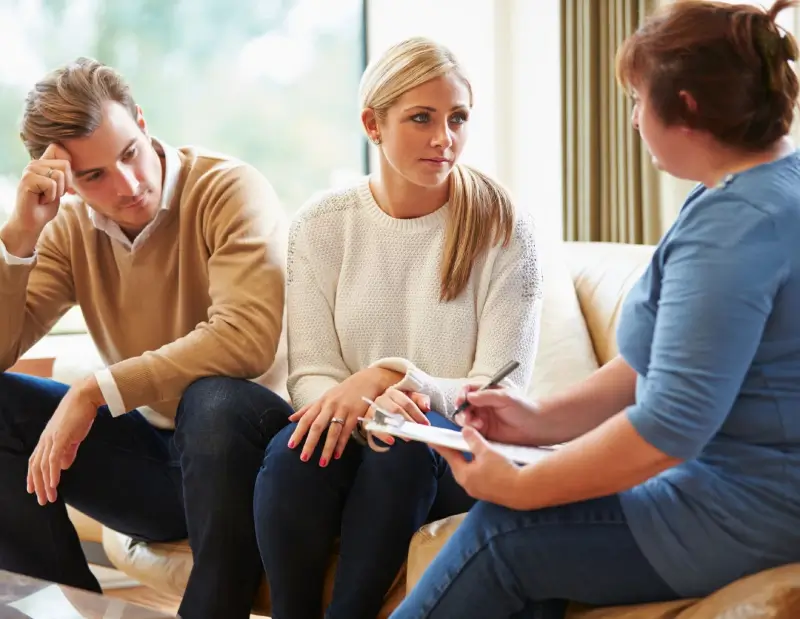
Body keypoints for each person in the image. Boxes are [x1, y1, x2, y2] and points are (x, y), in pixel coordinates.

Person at [389, 2, 800, 618]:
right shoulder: (757, 188)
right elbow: (648, 365)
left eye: (637, 101)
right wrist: (536, 420)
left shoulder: (733, 231)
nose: (634, 121)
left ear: (684, 106)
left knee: (501, 536)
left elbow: (669, 427)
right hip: (742, 491)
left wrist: (523, 484)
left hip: (750, 511)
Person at [253, 37, 543, 619]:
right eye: (422, 118)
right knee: (292, 453)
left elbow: (499, 392)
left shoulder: (504, 228)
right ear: (372, 124)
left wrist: (396, 380)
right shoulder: (322, 225)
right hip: (358, 431)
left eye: (457, 118)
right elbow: (311, 373)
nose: (445, 139)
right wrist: (363, 404)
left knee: (402, 445)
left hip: (456, 451)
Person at [0, 58, 293, 619]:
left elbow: (246, 338)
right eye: (94, 177)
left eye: (129, 153)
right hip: (161, 467)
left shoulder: (227, 188)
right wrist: (19, 237)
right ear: (60, 178)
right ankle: (62, 608)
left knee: (212, 398)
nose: (128, 185)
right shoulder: (65, 230)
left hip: (254, 455)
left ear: (141, 119)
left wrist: (94, 390)